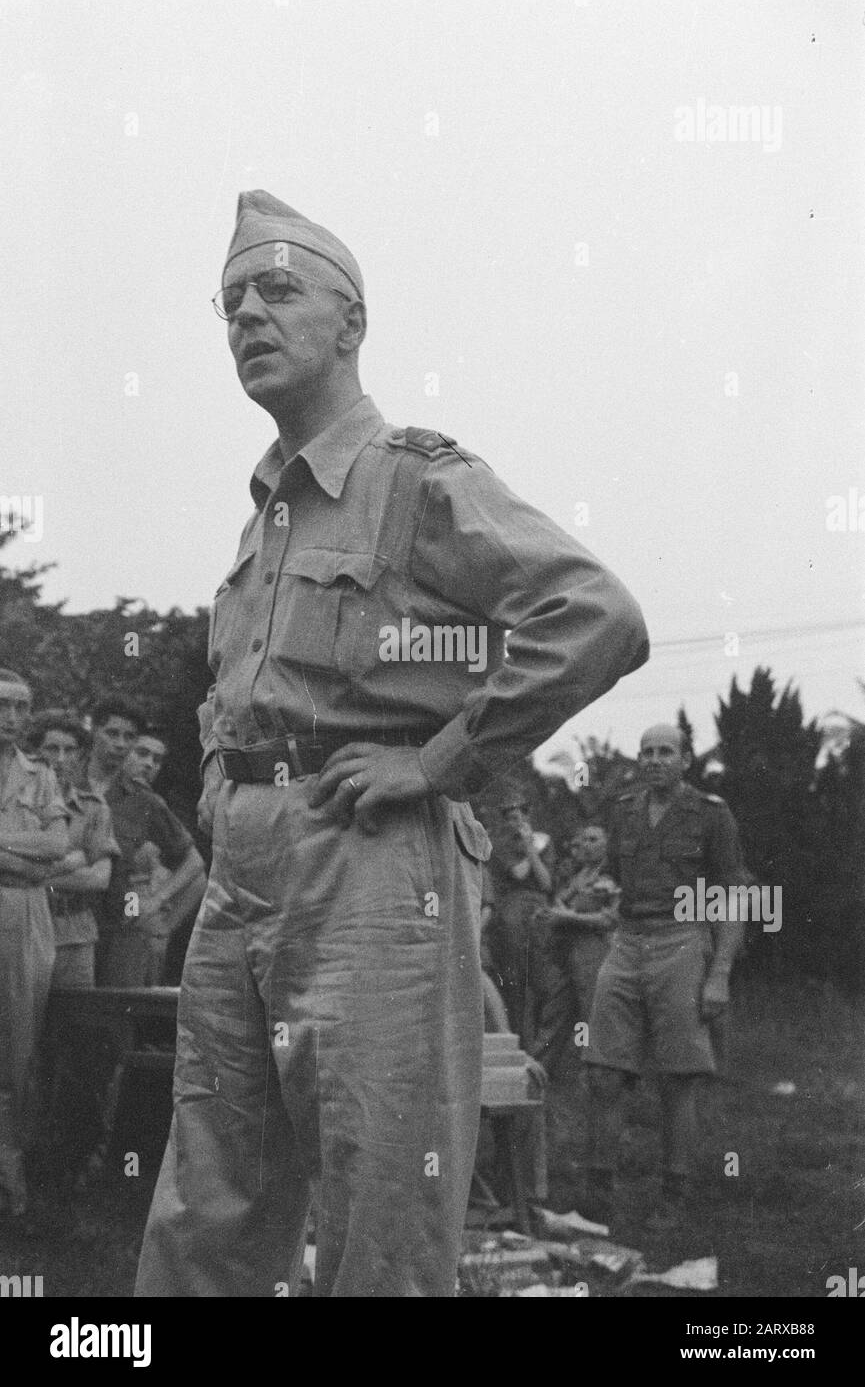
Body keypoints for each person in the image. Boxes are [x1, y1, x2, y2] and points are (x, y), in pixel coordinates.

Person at [135, 189, 649, 1298]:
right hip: (247, 873)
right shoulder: (263, 516)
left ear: (351, 322)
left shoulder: (412, 478)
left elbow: (596, 617)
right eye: (229, 304)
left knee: (383, 1196)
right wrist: (227, 791)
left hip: (371, 860)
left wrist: (438, 760)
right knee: (209, 1192)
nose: (247, 320)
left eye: (277, 291)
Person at [581, 723, 744, 1232]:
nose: (654, 760)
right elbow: (611, 878)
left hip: (682, 944)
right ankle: (598, 1196)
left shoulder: (712, 815)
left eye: (665, 752)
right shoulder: (625, 810)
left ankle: (675, 1193)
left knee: (677, 1078)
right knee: (604, 1071)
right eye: (646, 751)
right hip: (627, 943)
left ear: (686, 760)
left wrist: (718, 974)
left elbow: (732, 898)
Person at [0, 670, 69, 1216]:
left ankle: (11, 1174)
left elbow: (57, 846)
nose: (13, 718)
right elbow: (38, 853)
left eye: (23, 708)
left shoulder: (40, 775)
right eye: (4, 706)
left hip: (24, 915)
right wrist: (24, 858)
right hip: (17, 892)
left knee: (19, 1046)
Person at [88, 698, 205, 987]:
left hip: (121, 926)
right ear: (94, 731)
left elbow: (194, 864)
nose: (120, 744)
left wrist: (157, 905)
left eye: (128, 737)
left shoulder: (144, 801)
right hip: (70, 920)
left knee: (118, 1016)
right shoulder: (66, 784)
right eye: (112, 734)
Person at [29, 710, 118, 990]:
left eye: (70, 750)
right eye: (51, 749)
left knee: (75, 1023)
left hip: (76, 932)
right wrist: (75, 861)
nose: (60, 758)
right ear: (33, 753)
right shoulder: (17, 803)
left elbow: (99, 878)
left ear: (81, 756)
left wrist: (32, 874)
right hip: (26, 927)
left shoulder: (94, 807)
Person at [529, 822, 620, 1077]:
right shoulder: (578, 876)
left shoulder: (610, 876)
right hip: (566, 955)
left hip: (594, 953)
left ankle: (596, 1073)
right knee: (555, 1014)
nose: (586, 846)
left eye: (594, 840)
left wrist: (567, 917)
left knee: (592, 1014)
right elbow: (561, 906)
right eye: (584, 840)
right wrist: (548, 914)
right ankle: (538, 1073)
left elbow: (609, 919)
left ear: (606, 845)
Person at [481, 784, 555, 1045]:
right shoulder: (499, 844)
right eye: (511, 818)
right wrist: (530, 847)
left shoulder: (544, 841)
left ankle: (538, 1043)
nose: (518, 822)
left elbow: (546, 883)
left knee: (543, 981)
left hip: (538, 907)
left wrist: (532, 848)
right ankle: (517, 1039)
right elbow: (519, 874)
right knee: (514, 980)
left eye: (522, 816)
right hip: (511, 908)